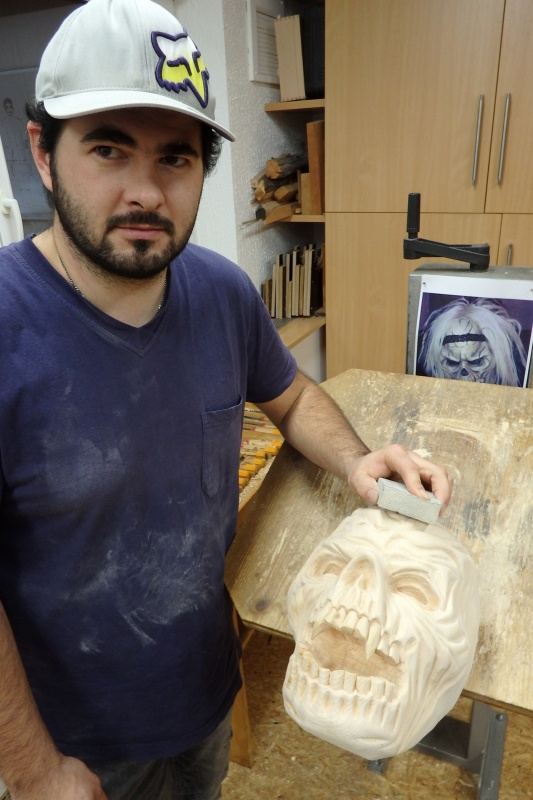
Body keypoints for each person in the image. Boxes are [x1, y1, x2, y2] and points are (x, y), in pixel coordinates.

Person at [0, 1, 452, 798]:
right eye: (107, 149)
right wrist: (33, 769)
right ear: (42, 151)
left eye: (175, 158)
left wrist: (356, 460)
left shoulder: (221, 291)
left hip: (203, 692)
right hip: (71, 743)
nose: (146, 192)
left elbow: (290, 394)